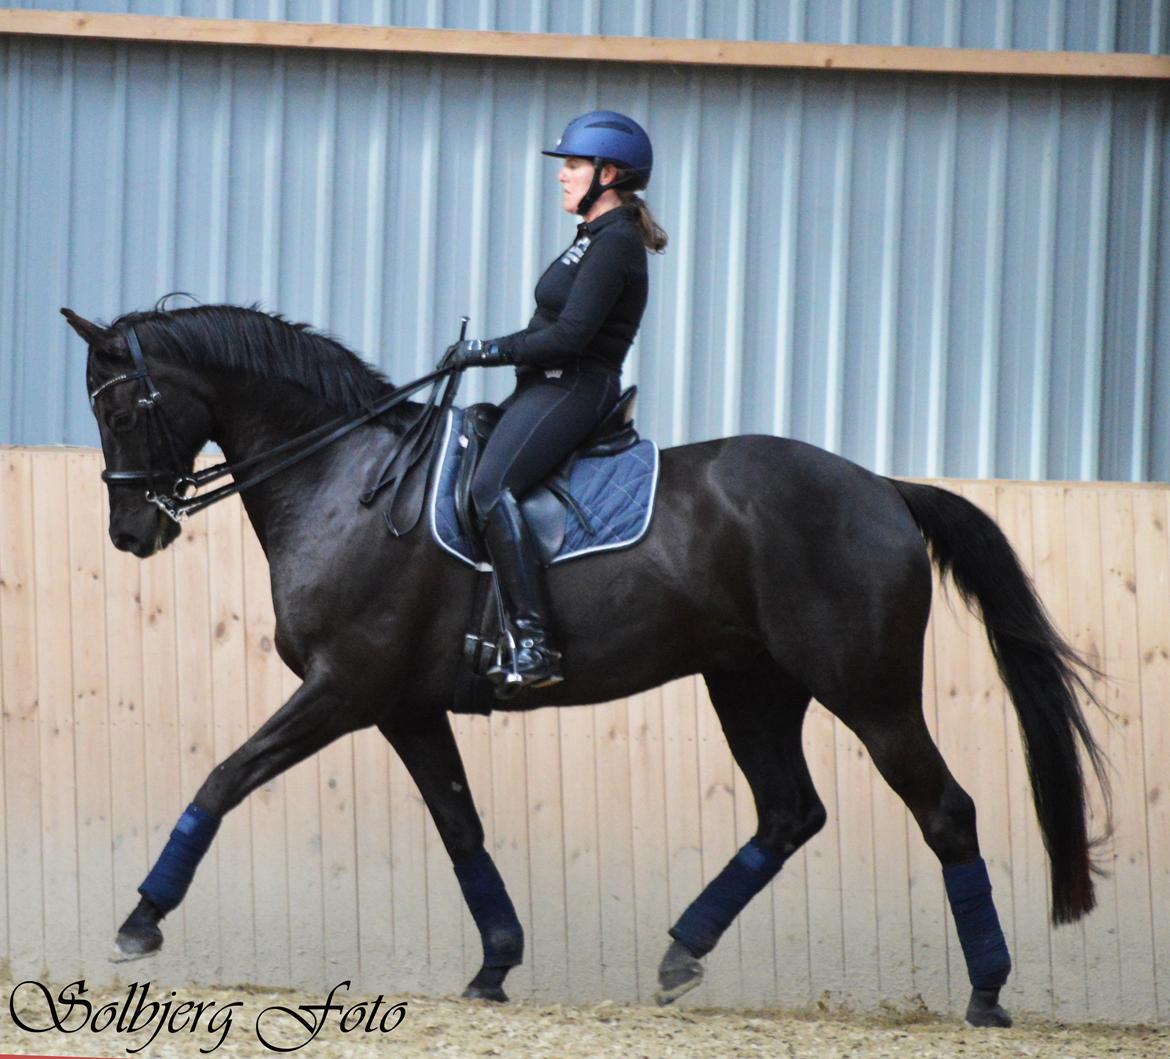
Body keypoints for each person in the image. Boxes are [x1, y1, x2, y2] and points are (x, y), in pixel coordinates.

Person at [447, 110, 668, 693]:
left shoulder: (616, 243)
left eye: (572, 164)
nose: (562, 174)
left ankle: (533, 642)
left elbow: (569, 338)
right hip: (546, 385)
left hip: (574, 387)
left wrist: (484, 350)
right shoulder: (592, 236)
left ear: (607, 174)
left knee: (489, 488)